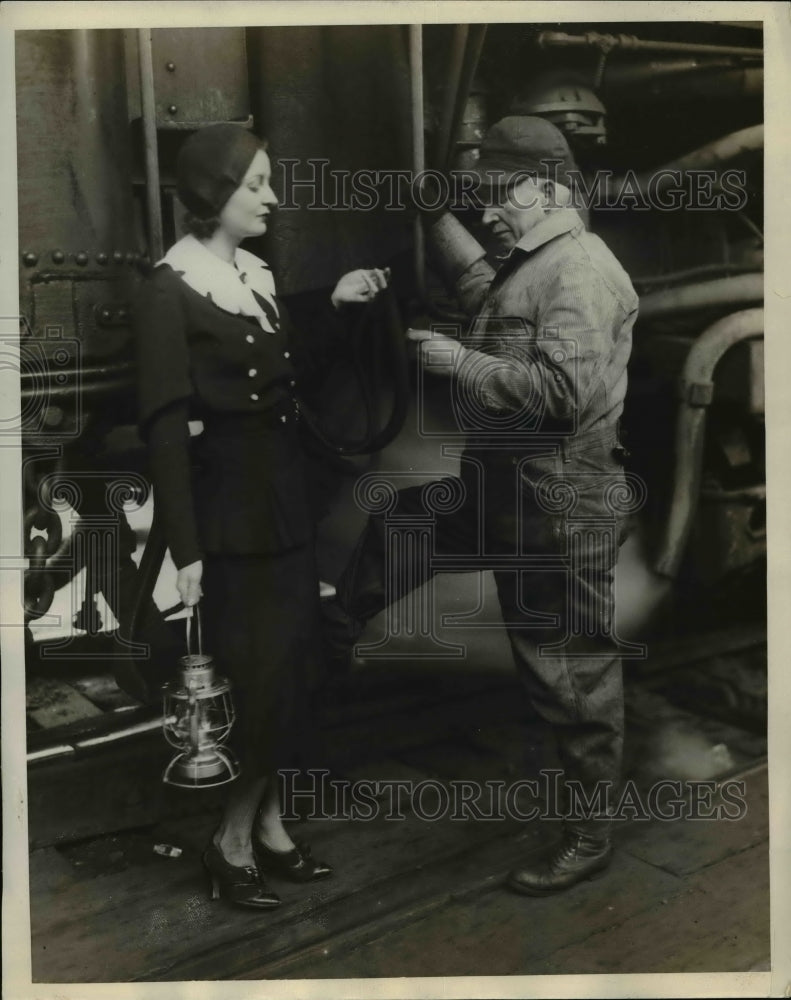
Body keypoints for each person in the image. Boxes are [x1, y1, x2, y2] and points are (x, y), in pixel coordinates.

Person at [325, 116, 639, 895]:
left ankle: (587, 835)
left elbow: (559, 397)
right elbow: (485, 291)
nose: (488, 212)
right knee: (406, 524)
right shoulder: (533, 264)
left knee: (567, 674)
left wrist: (453, 360)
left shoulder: (582, 274)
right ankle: (326, 635)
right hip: (503, 487)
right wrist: (434, 217)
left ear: (544, 188)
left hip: (557, 507)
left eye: (496, 197)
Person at [135, 123, 388, 909]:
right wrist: (185, 549)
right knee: (261, 684)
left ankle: (270, 828)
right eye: (257, 186)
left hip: (281, 512)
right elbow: (165, 428)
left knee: (296, 675)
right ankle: (229, 841)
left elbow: (284, 379)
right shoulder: (166, 289)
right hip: (227, 526)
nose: (271, 199)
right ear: (217, 194)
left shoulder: (254, 275)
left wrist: (337, 308)